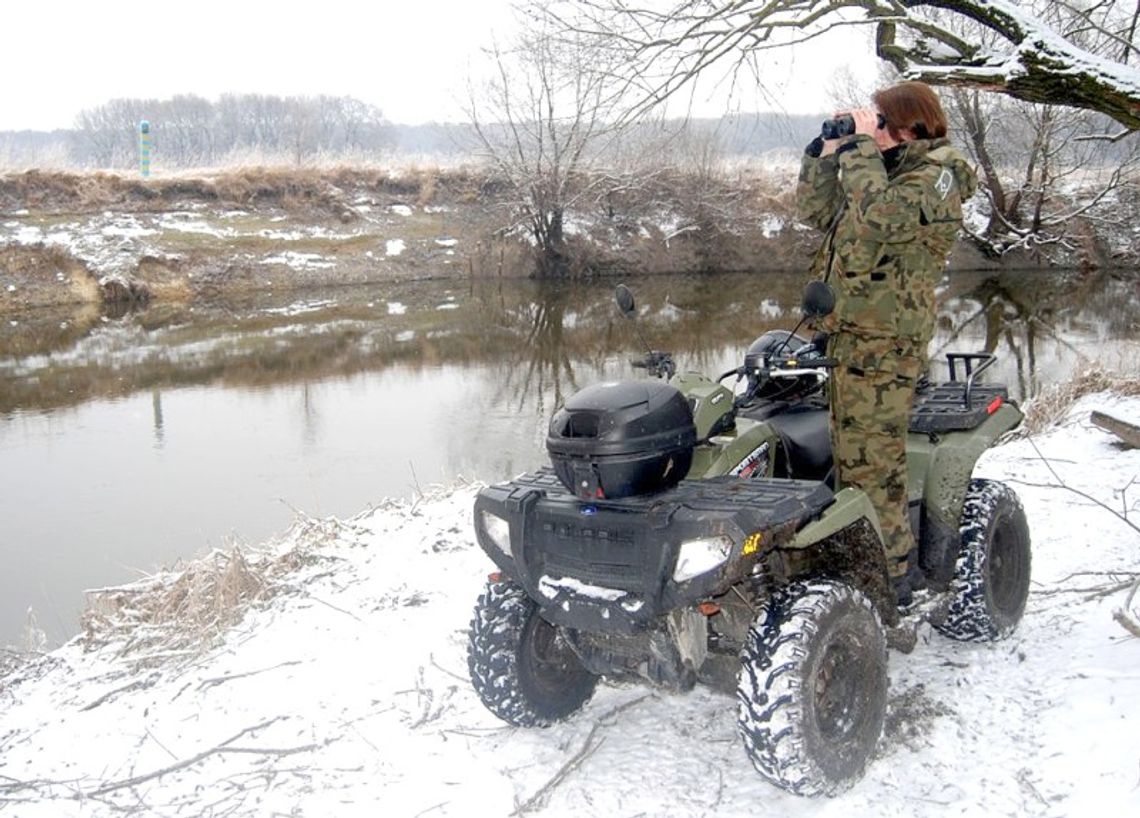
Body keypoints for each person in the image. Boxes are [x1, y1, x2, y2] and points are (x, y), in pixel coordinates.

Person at [796, 81, 978, 605]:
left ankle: (894, 579)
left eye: (879, 118)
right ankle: (863, 558)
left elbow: (881, 219)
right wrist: (824, 153)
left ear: (908, 122)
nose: (871, 126)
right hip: (851, 337)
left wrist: (858, 147)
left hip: (886, 345)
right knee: (850, 459)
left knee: (874, 463)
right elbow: (816, 213)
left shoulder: (937, 174)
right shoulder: (888, 169)